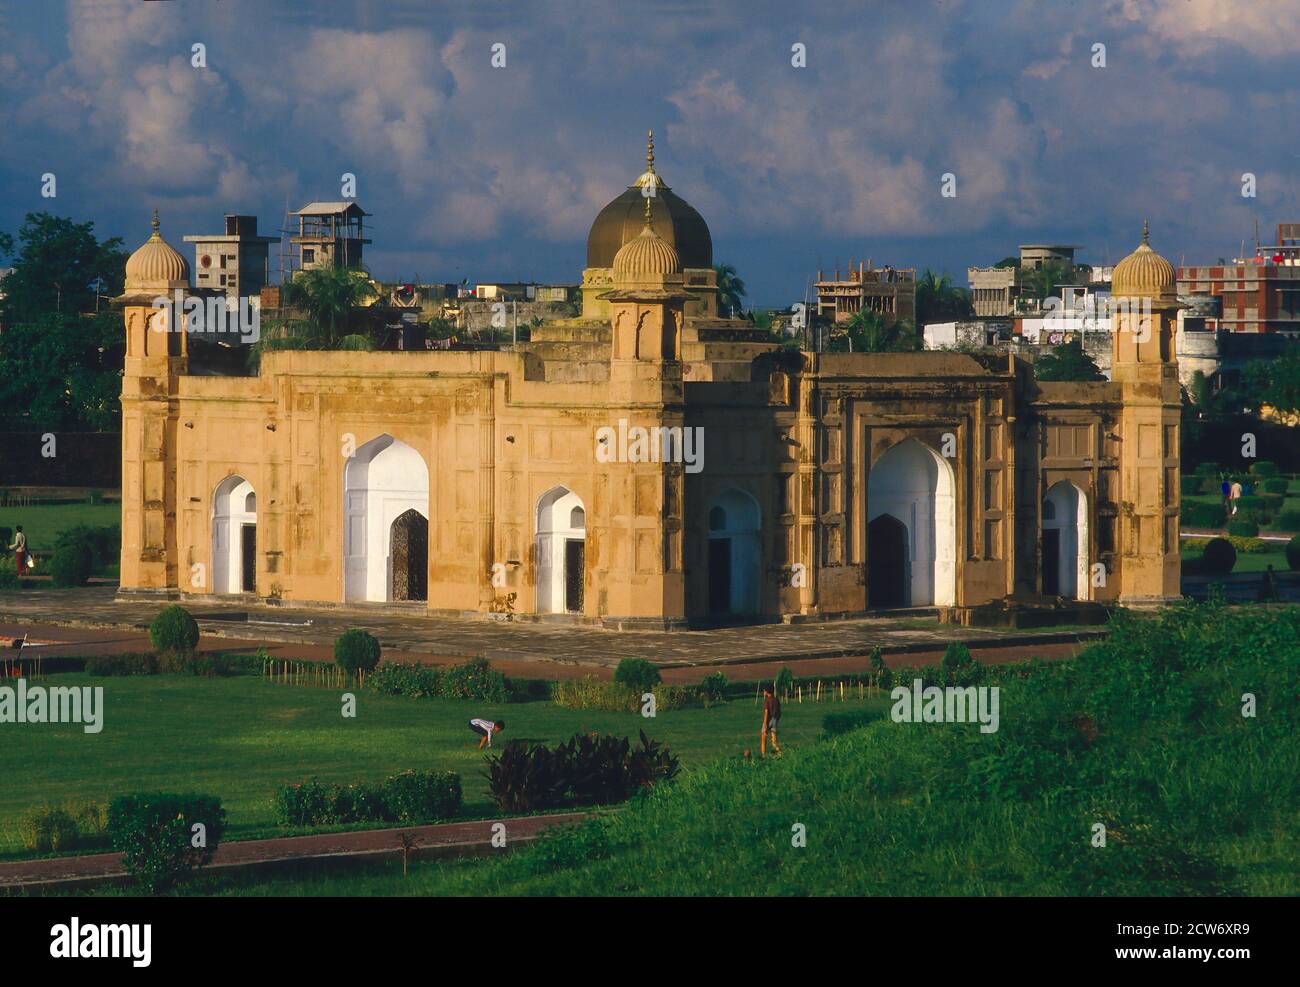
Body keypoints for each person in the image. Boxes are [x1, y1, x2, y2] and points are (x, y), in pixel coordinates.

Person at [760, 684, 781, 758]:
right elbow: (779, 711)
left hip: (768, 720)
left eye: (764, 691)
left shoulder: (767, 701)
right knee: (774, 740)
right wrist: (777, 720)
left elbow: (766, 713)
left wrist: (765, 725)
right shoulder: (776, 700)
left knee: (763, 738)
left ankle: (763, 755)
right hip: (775, 720)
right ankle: (779, 752)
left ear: (767, 692)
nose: (764, 692)